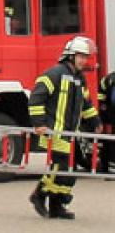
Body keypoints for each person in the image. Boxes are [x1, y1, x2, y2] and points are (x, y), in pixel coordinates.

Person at [28, 36, 103, 220]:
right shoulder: (54, 74)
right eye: (81, 56)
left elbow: (85, 104)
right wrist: (39, 124)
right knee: (59, 167)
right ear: (70, 55)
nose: (84, 60)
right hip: (54, 131)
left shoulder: (79, 79)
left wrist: (95, 122)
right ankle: (39, 194)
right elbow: (36, 99)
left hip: (70, 133)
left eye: (86, 57)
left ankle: (57, 205)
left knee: (70, 170)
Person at [99, 70, 115, 173]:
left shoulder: (107, 78)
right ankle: (110, 167)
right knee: (110, 142)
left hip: (109, 117)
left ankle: (107, 167)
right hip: (110, 117)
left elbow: (101, 98)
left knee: (108, 141)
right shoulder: (108, 79)